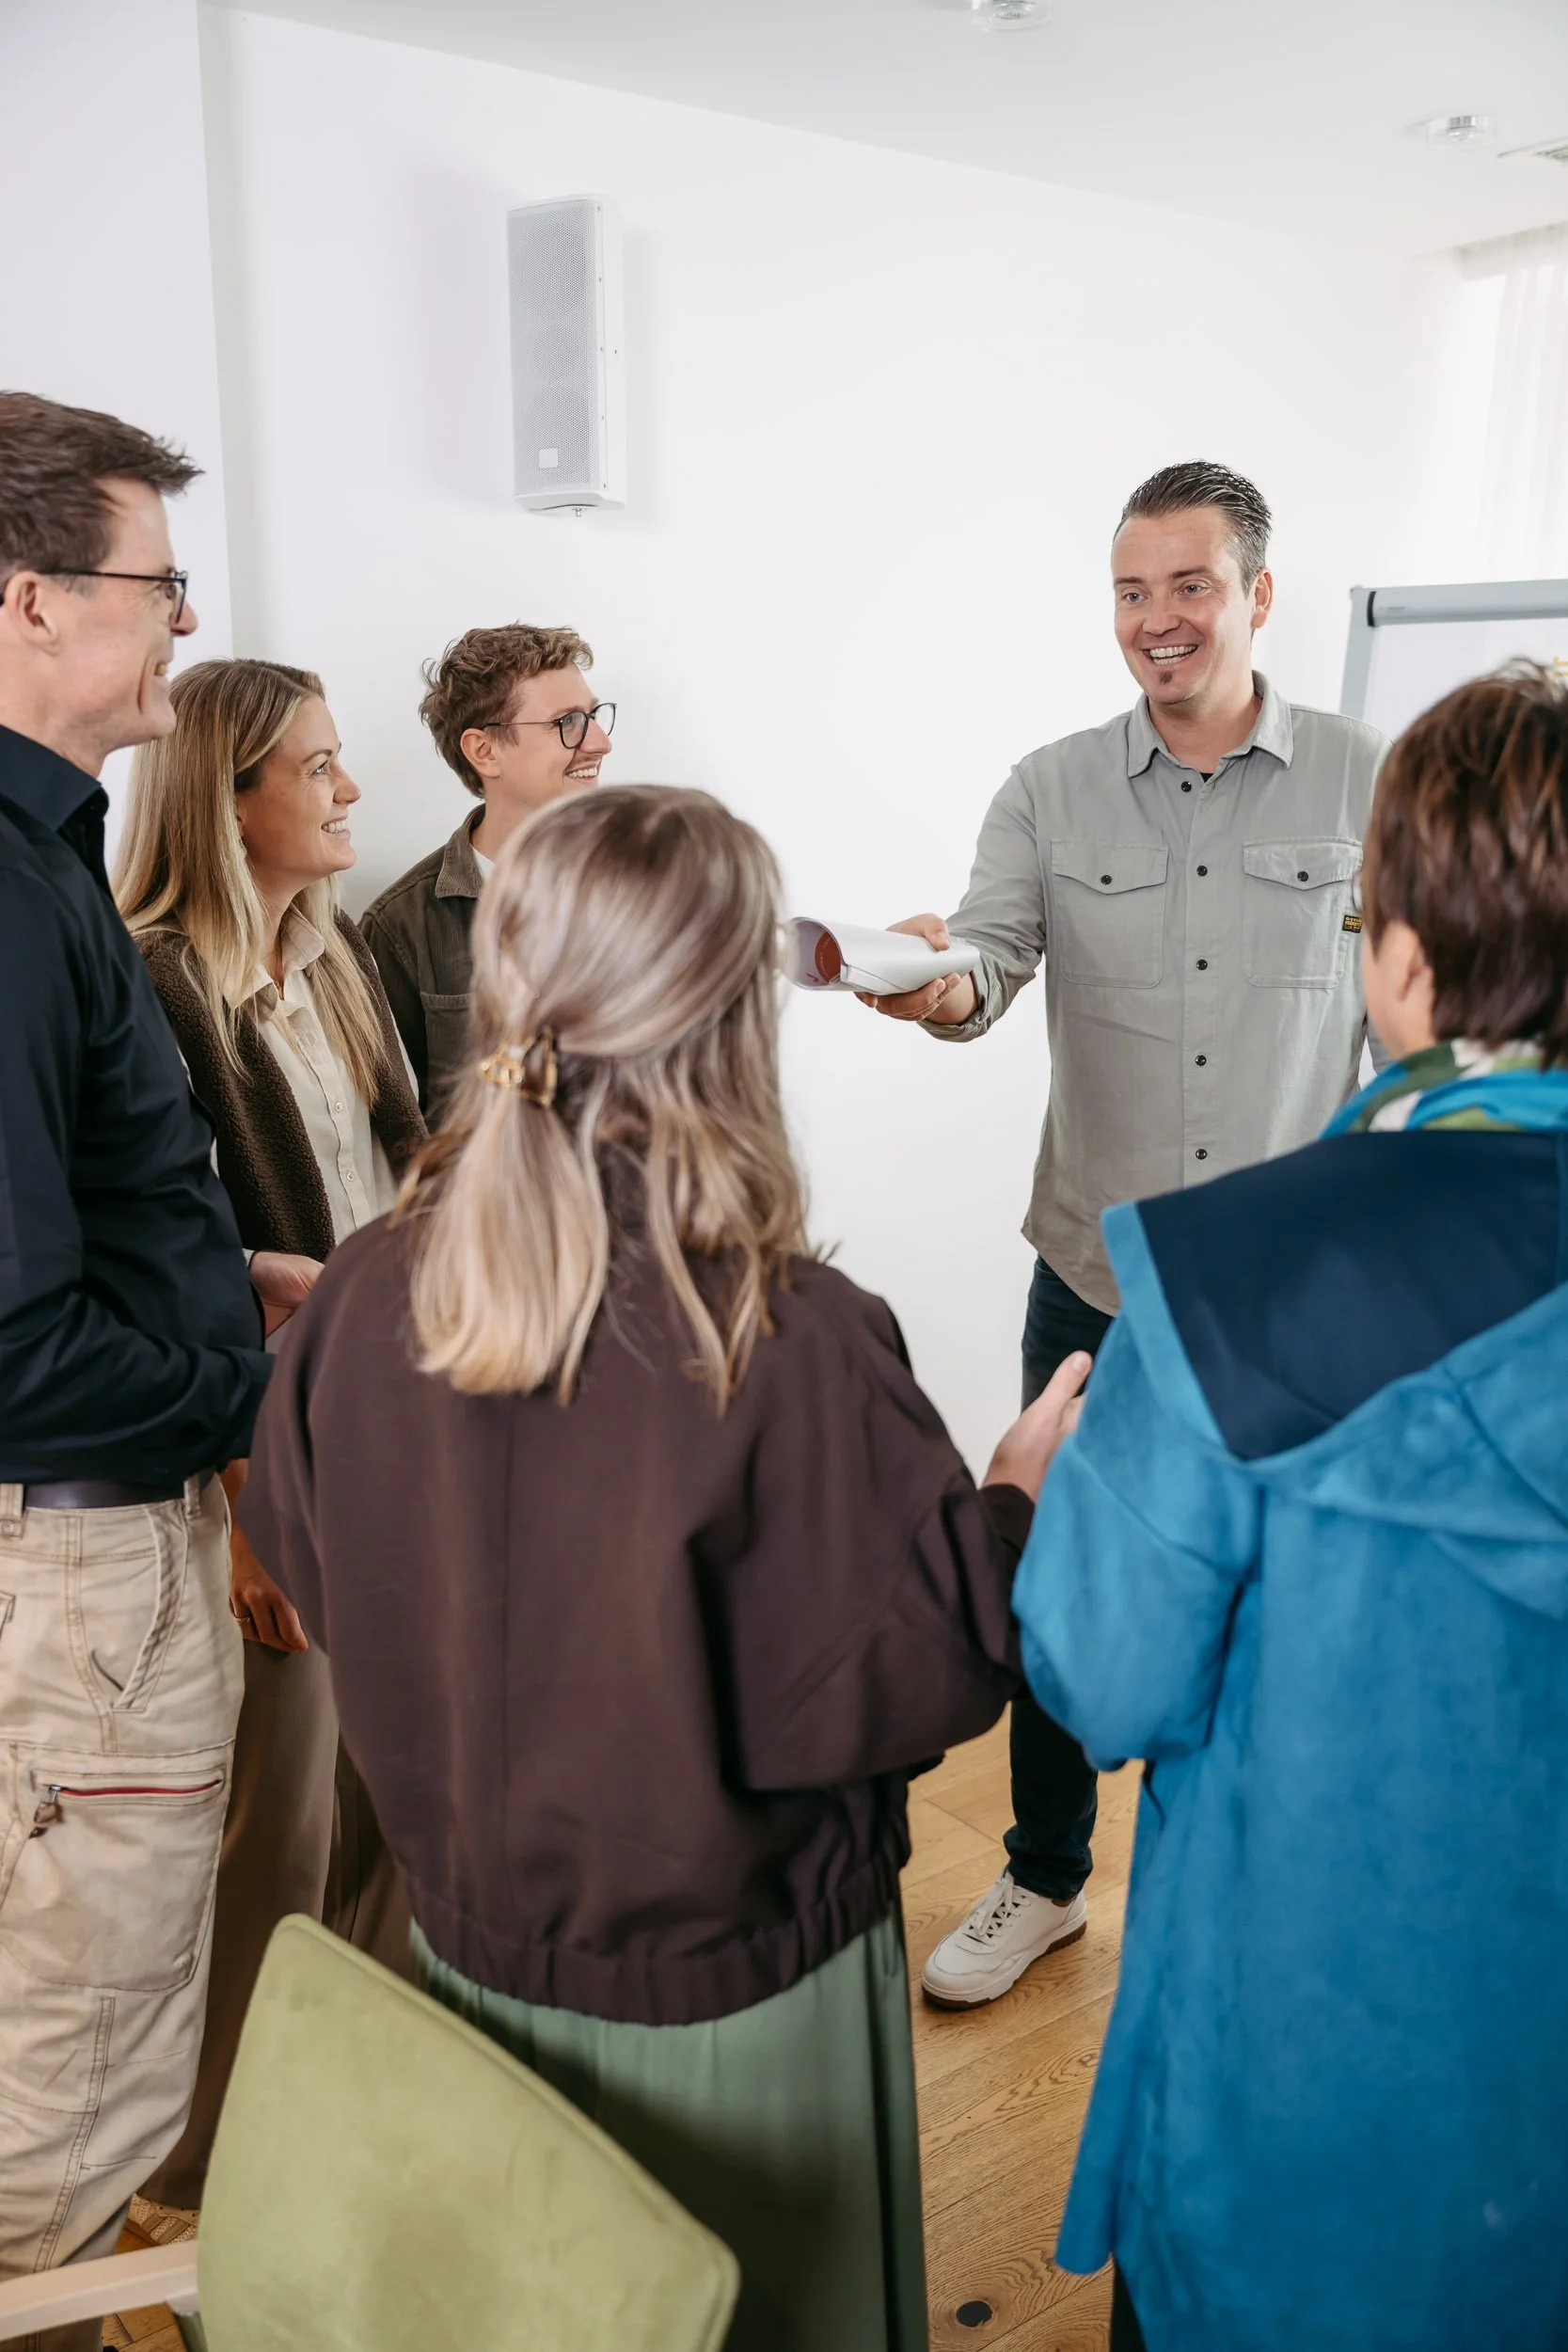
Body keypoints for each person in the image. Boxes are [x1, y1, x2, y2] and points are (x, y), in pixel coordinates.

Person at [240, 784, 1089, 2352]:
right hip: (740, 2005)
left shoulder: (361, 1298)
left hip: (465, 1965)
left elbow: (302, 1560)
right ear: (731, 1016)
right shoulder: (793, 1340)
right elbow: (904, 1682)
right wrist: (1010, 1508)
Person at [1015, 663, 1568, 2352]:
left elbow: (1104, 1680)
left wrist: (1045, 1502)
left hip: (1309, 2127)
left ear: (1399, 959)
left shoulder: (1234, 1270)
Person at [870, 459, 1389, 2010]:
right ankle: (1041, 1877)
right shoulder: (1049, 786)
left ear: (1255, 596)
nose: (1154, 623)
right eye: (1128, 591)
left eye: (1186, 587)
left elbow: (1434, 1006)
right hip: (1094, 1278)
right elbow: (982, 961)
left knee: (1289, 1596)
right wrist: (927, 982)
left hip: (1292, 1296)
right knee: (1063, 1586)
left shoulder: (1370, 779)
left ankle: (1262, 1883)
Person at [0, 391, 272, 2340]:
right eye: (151, 580)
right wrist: (257, 1387)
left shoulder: (46, 857)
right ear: (28, 600)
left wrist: (230, 1276)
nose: (177, 620)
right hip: (82, 1567)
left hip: (79, 1546)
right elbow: (15, 1342)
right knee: (70, 2098)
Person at [114, 657, 426, 2212]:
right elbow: (180, 1274)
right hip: (269, 1459)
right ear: (230, 801)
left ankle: (348, 2097)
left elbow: (399, 1156)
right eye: (316, 764)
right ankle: (208, 2171)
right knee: (276, 1824)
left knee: (387, 1798)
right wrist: (248, 1504)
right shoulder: (158, 983)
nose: (347, 785)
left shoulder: (342, 955)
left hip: (386, 1427)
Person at [361, 622, 613, 1115]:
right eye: (569, 722)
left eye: (594, 716)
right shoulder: (399, 928)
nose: (600, 742)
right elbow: (398, 1130)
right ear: (484, 750)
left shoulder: (647, 890)